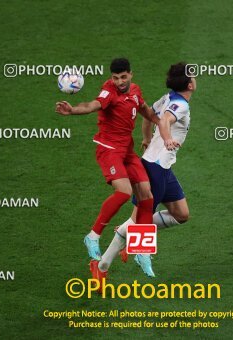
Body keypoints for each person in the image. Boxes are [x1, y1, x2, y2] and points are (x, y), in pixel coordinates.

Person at [55, 58, 179, 270]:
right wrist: (73, 110)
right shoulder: (109, 92)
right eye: (115, 78)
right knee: (123, 192)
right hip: (109, 149)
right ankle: (93, 236)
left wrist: (161, 124)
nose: (119, 81)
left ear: (131, 74)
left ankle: (142, 252)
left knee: (147, 197)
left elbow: (145, 111)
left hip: (127, 151)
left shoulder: (135, 91)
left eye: (123, 77)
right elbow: (92, 105)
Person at [91, 62, 196, 286]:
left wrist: (147, 139)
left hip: (163, 167)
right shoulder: (180, 106)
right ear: (190, 84)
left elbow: (148, 116)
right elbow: (165, 121)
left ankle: (129, 229)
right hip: (155, 167)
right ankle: (101, 266)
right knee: (138, 220)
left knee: (181, 214)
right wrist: (166, 138)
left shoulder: (167, 98)